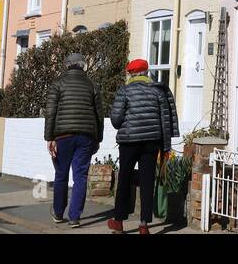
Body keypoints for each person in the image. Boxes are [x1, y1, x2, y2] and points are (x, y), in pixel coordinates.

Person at [108, 58, 179, 234]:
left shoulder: (124, 91)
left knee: (124, 179)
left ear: (131, 73)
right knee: (148, 181)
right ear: (146, 73)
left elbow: (116, 121)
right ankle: (144, 225)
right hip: (151, 142)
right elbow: (165, 119)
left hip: (129, 141)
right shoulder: (158, 91)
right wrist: (165, 145)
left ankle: (118, 222)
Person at [44, 52, 103, 228]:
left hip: (62, 136)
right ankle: (75, 217)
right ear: (82, 65)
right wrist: (98, 138)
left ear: (67, 65)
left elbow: (50, 113)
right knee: (81, 177)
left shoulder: (58, 84)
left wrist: (49, 137)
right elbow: (99, 115)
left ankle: (58, 212)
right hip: (86, 136)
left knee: (61, 175)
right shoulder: (92, 85)